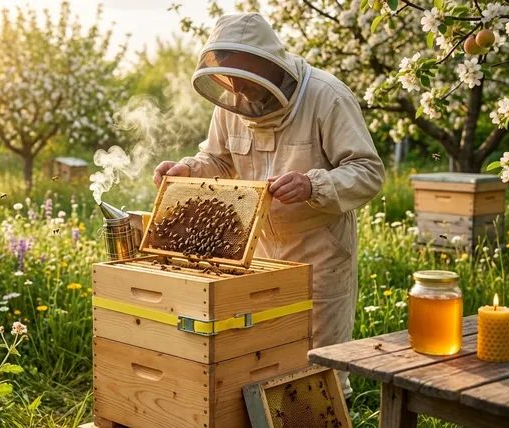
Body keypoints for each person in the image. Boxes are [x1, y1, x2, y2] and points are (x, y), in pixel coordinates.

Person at [153, 12, 385, 399]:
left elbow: (368, 172)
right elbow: (220, 161)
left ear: (269, 64)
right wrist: (187, 169)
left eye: (246, 81)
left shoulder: (327, 97)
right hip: (255, 252)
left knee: (319, 367)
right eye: (232, 82)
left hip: (320, 251)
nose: (240, 91)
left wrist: (314, 184)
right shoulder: (231, 102)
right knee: (259, 358)